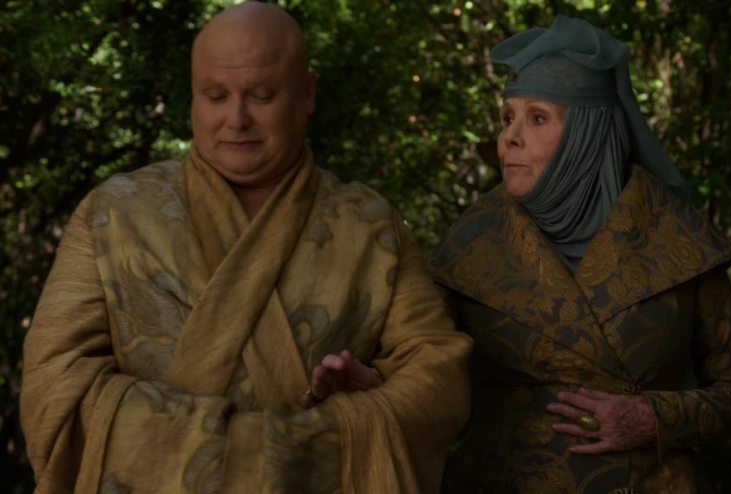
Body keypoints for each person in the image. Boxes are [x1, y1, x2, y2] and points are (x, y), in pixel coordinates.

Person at [20, 3, 471, 493]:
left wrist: (373, 396)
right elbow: (53, 382)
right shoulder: (114, 213)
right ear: (193, 95)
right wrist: (287, 448)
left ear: (307, 93)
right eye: (216, 96)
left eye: (262, 95)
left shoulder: (371, 226)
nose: (236, 119)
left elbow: (439, 378)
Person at [429, 15, 731, 493]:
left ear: (588, 132)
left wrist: (653, 417)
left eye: (537, 118)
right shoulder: (469, 243)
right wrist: (372, 381)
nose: (509, 137)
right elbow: (420, 367)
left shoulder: (679, 239)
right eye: (506, 118)